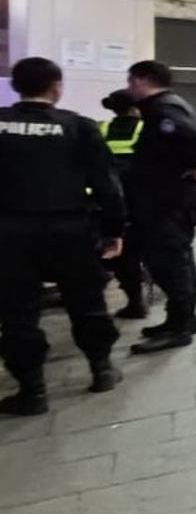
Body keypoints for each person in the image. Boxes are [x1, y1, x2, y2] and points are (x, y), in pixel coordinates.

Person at [0, 57, 125, 415]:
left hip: (9, 233)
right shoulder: (79, 127)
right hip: (70, 230)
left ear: (15, 86)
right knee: (86, 301)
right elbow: (107, 185)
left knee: (17, 312)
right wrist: (114, 230)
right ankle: (101, 369)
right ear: (57, 86)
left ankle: (32, 390)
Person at [125, 60, 196, 354]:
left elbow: (195, 137)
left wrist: (193, 167)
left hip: (170, 200)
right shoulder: (163, 105)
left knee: (171, 263)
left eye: (131, 82)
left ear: (142, 80)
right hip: (167, 198)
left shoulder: (164, 108)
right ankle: (180, 319)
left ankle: (180, 327)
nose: (129, 88)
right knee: (176, 260)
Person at [100, 89, 147, 319]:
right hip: (141, 197)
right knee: (144, 248)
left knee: (122, 253)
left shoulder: (103, 129)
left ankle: (135, 302)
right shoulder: (144, 128)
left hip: (111, 200)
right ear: (136, 106)